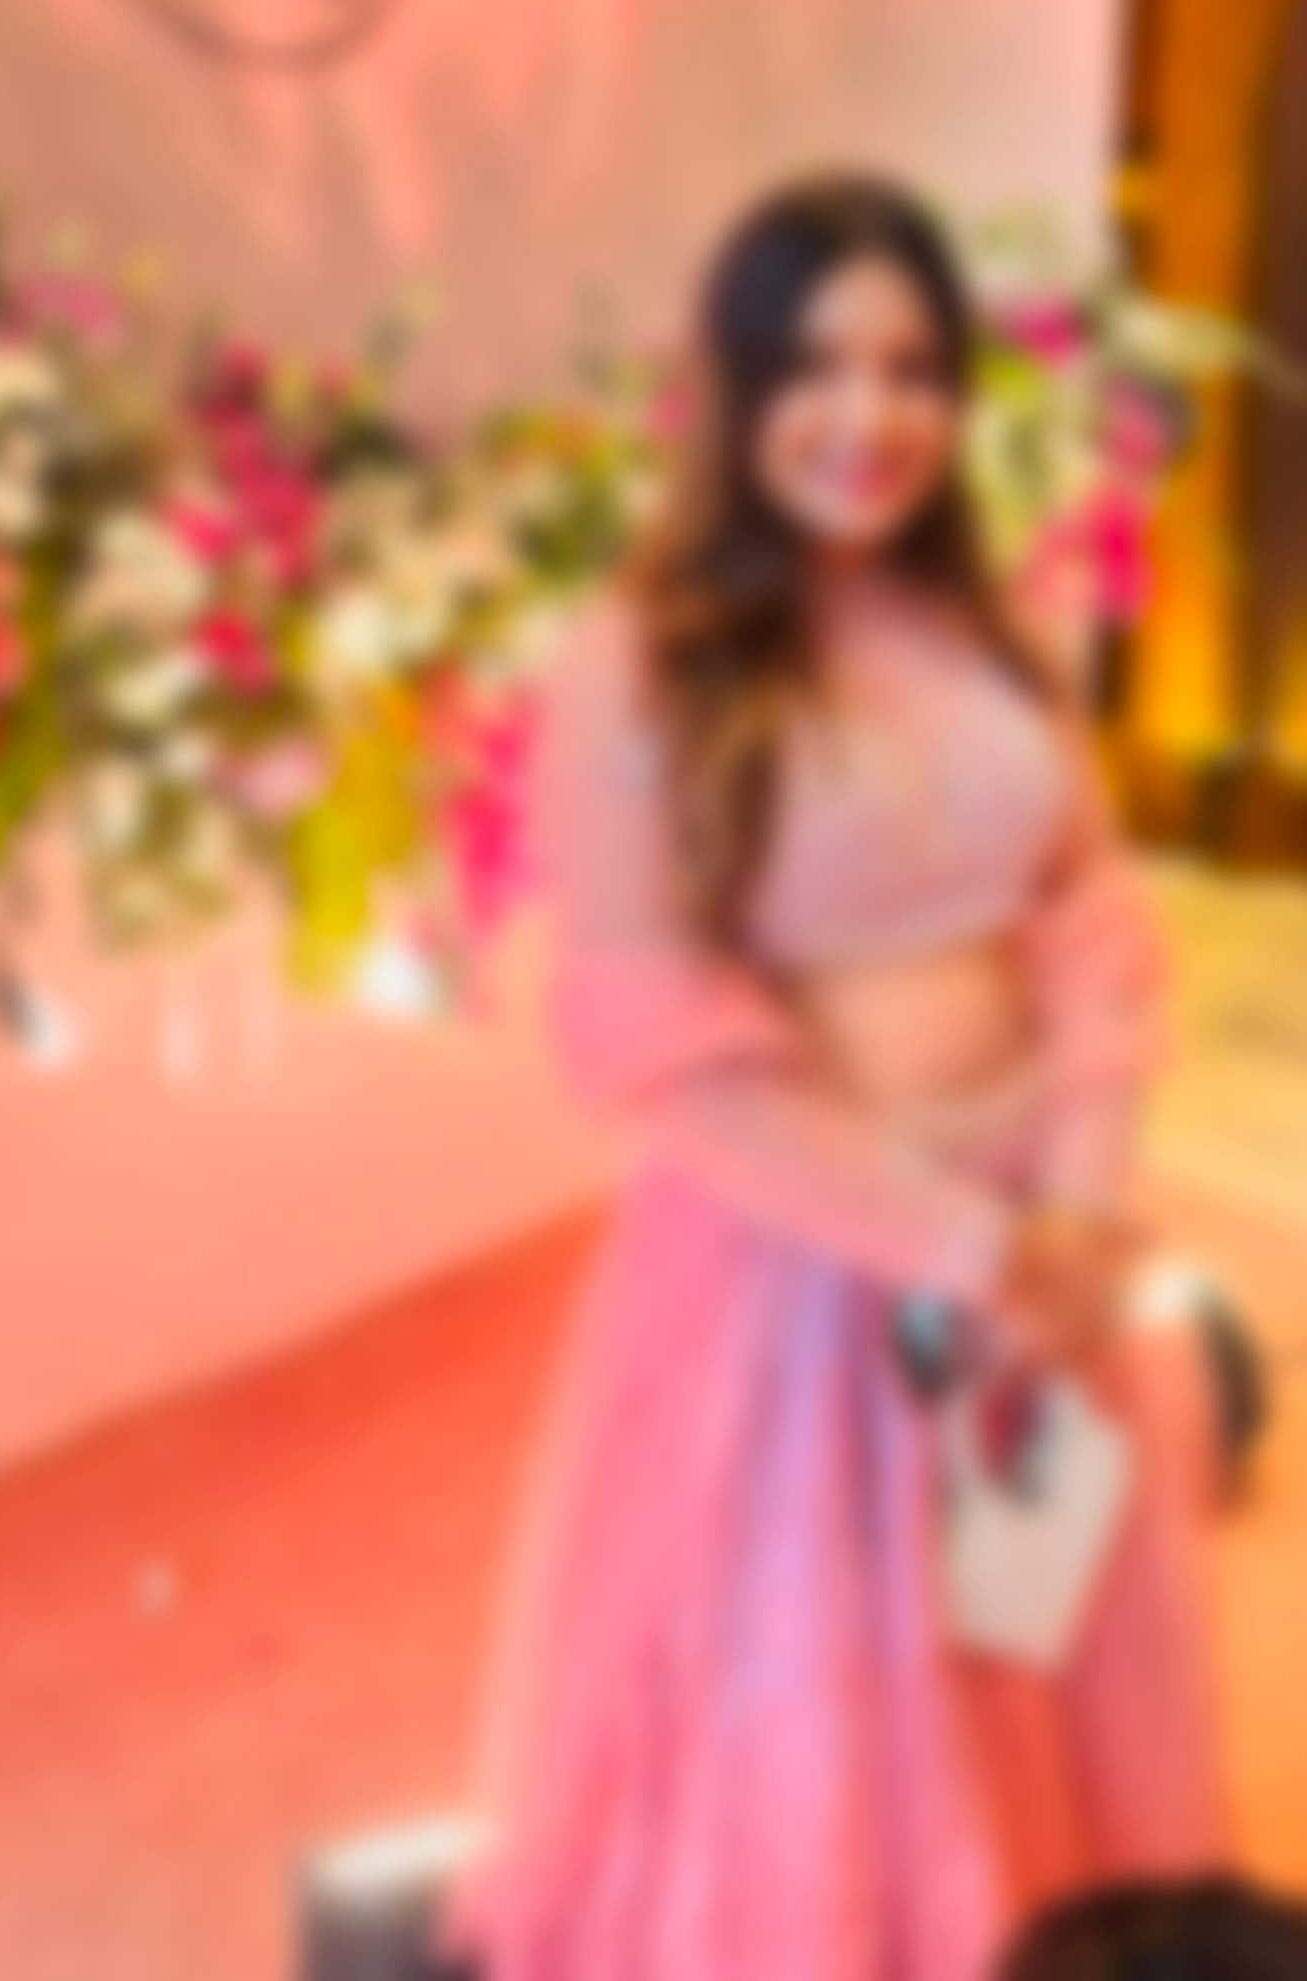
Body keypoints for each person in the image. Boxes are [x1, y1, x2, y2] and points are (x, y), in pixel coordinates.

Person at [444, 174, 1231, 1981]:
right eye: (812, 364)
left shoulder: (998, 629)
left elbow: (1092, 917)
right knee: (818, 1706)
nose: (868, 415)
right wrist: (974, 1252)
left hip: (1043, 1252)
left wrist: (1083, 1201)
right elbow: (672, 1055)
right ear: (732, 385)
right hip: (801, 1284)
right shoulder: (636, 668)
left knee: (1025, 1656)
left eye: (911, 367)